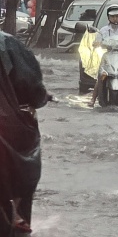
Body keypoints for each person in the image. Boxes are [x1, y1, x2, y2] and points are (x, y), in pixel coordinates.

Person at [0, 30, 51, 235]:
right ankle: (16, 213)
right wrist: (40, 99)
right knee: (24, 173)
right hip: (10, 124)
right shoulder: (8, 44)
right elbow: (31, 86)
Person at [89, 5, 118, 107]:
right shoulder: (103, 30)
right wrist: (97, 43)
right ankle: (93, 98)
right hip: (108, 54)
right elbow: (97, 40)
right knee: (101, 75)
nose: (115, 18)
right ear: (108, 17)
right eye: (113, 16)